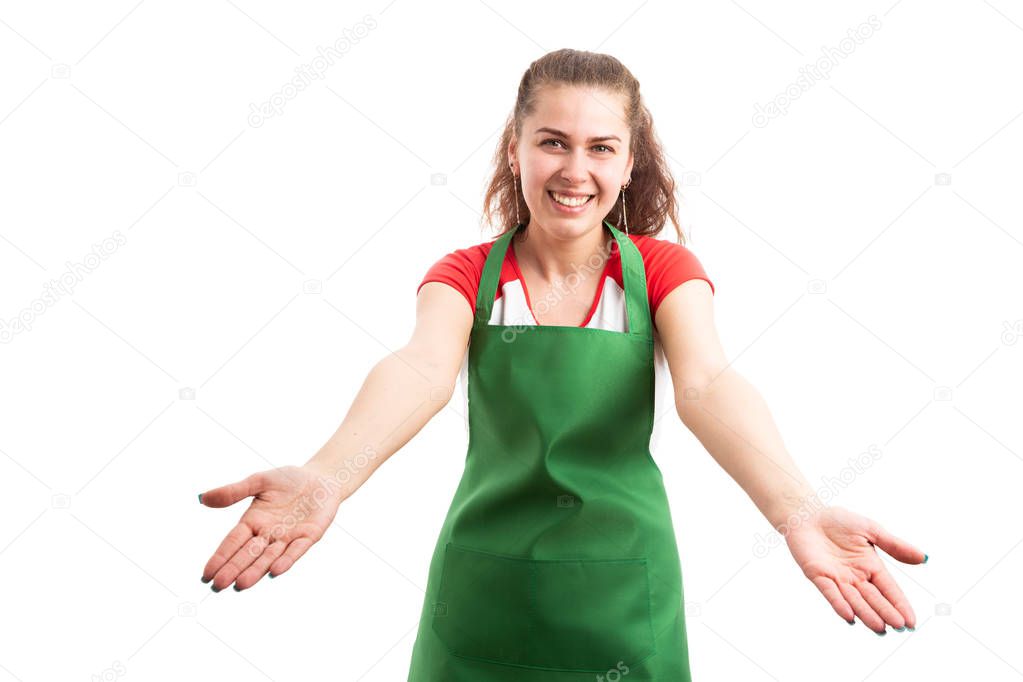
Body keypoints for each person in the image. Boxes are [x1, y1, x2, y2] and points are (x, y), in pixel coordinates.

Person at [197, 49, 927, 680]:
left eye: (601, 147)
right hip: (481, 596)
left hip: (623, 601)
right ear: (513, 149)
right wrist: (327, 476)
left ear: (628, 160)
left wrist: (796, 507)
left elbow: (706, 384)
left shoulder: (662, 270)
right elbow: (420, 371)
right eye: (552, 142)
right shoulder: (466, 274)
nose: (574, 170)